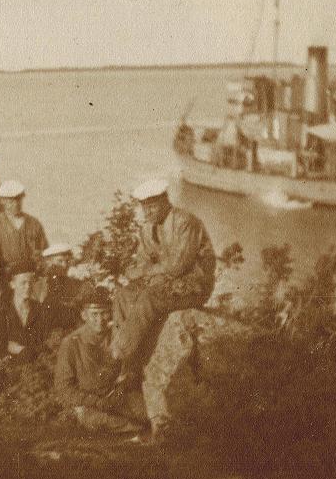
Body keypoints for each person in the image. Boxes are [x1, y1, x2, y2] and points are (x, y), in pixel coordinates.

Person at [110, 178, 215, 387]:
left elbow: (178, 266)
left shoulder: (185, 222)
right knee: (123, 295)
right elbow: (143, 261)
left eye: (152, 206)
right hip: (165, 282)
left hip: (194, 285)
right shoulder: (147, 229)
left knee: (149, 298)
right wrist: (141, 271)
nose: (147, 212)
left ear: (165, 201)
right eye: (144, 207)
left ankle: (117, 355)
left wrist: (143, 271)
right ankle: (128, 368)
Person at [54, 288, 149, 436]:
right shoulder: (71, 343)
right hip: (87, 403)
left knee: (149, 413)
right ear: (84, 315)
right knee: (96, 420)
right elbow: (63, 388)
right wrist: (94, 401)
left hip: (117, 397)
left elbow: (131, 369)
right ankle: (134, 429)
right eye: (94, 314)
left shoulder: (117, 336)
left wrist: (122, 386)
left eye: (104, 313)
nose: (100, 319)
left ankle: (139, 427)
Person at [0, 180, 49, 296]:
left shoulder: (33, 223)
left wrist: (40, 268)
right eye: (11, 201)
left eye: (18, 199)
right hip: (7, 276)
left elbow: (44, 252)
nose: (16, 204)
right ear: (2, 201)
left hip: (31, 275)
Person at [37, 243, 86, 332]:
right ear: (48, 262)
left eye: (67, 261)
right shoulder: (40, 285)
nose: (64, 265)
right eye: (60, 261)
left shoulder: (74, 284)